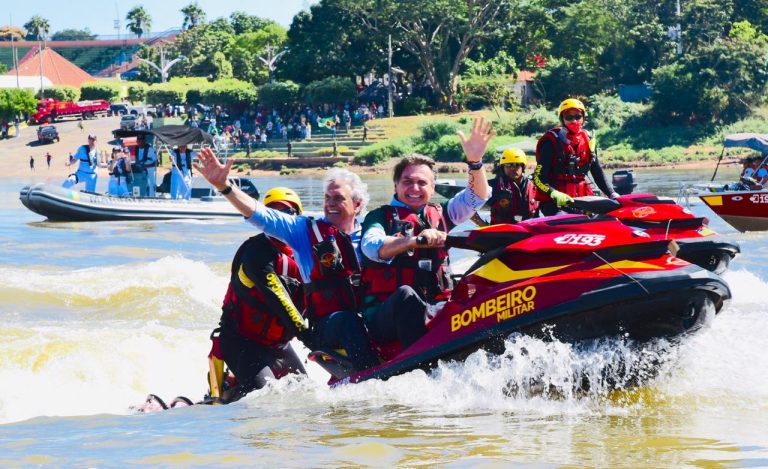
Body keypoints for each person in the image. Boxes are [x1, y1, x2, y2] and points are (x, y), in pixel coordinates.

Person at [194, 151, 379, 371]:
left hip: (367, 318)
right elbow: (261, 215)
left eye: (338, 198)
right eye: (327, 198)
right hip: (329, 326)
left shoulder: (372, 235)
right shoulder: (302, 231)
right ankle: (370, 375)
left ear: (357, 205)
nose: (330, 204)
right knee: (347, 321)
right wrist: (225, 187)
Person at [359, 116, 494, 352]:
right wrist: (413, 241)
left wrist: (474, 162)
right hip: (386, 318)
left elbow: (477, 197)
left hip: (435, 307)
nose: (414, 188)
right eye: (407, 182)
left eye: (422, 183)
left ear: (432, 188)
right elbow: (371, 247)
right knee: (405, 295)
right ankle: (420, 359)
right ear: (396, 186)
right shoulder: (379, 216)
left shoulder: (444, 213)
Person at [209, 187, 310, 403]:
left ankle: (234, 384)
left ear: (298, 218)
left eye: (286, 212)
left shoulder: (305, 255)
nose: (278, 217)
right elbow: (278, 298)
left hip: (279, 345)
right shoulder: (256, 253)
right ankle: (229, 389)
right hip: (242, 342)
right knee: (267, 400)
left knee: (307, 396)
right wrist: (308, 335)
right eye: (272, 211)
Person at [533, 98, 617, 216]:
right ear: (562, 119)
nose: (574, 121)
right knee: (565, 222)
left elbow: (597, 172)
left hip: (582, 201)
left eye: (578, 116)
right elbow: (538, 178)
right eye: (569, 117)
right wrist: (553, 193)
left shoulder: (588, 140)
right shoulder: (550, 141)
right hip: (554, 203)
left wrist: (612, 194)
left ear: (583, 118)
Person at [487, 148, 538, 224]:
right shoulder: (492, 185)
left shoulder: (534, 186)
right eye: (508, 165)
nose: (512, 168)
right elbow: (469, 204)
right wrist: (482, 224)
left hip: (528, 231)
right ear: (502, 167)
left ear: (523, 167)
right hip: (500, 233)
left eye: (516, 165)